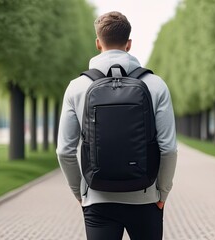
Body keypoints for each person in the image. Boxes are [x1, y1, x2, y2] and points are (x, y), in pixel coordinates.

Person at [57, 11, 177, 240]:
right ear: (129, 44)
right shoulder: (156, 85)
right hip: (146, 196)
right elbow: (169, 148)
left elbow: (64, 151)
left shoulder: (77, 86)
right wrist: (162, 193)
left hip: (97, 198)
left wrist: (80, 192)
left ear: (98, 43)